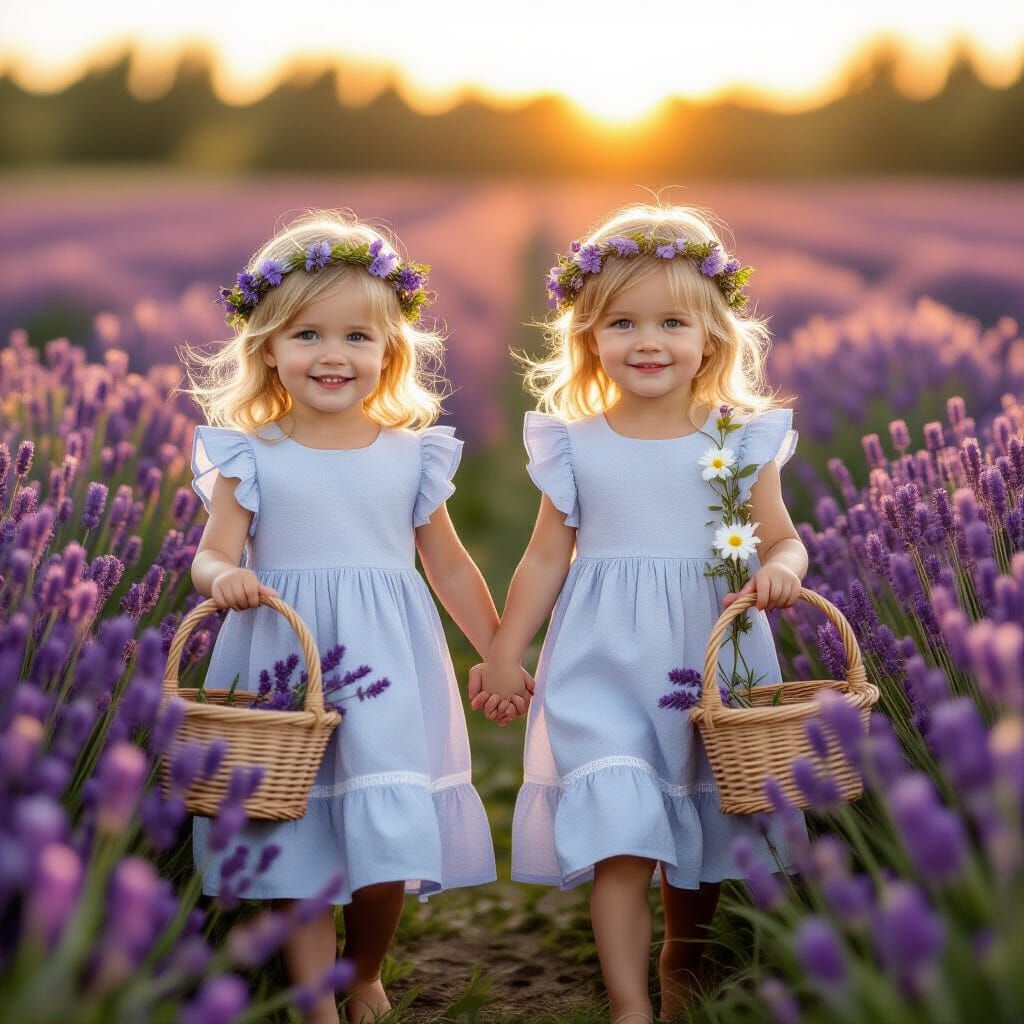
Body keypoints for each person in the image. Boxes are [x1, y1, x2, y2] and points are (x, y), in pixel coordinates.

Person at [182, 209, 525, 1023]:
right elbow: (211, 550)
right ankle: (313, 999)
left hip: (386, 662)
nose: (332, 356)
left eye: (356, 339)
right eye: (307, 336)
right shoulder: (250, 453)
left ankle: (363, 968)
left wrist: (500, 651)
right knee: (291, 827)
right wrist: (224, 577)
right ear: (266, 346)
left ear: (390, 351)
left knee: (383, 828)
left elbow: (447, 564)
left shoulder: (410, 453)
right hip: (279, 655)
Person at [470, 203, 809, 1023]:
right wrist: (507, 650)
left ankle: (678, 972)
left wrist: (782, 573)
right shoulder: (577, 443)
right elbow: (547, 555)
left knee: (699, 847)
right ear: (588, 337)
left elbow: (784, 539)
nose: (647, 341)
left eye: (670, 322)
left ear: (713, 338)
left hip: (710, 655)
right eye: (621, 322)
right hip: (603, 659)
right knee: (621, 828)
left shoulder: (736, 438)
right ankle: (630, 1006)